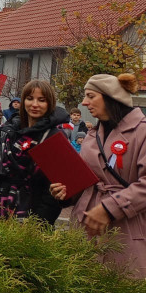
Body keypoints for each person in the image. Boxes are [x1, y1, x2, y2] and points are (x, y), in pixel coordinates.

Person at [50, 73, 146, 279]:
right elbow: (88, 179)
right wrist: (67, 192)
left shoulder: (142, 132)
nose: (84, 103)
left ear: (111, 97)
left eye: (91, 96)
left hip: (126, 230)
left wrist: (109, 208)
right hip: (84, 225)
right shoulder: (93, 134)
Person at [0, 80, 69, 224]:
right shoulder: (11, 130)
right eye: (30, 99)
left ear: (50, 103)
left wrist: (40, 222)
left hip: (32, 211)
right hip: (1, 205)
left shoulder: (54, 136)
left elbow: (55, 189)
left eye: (41, 100)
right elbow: (0, 172)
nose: (34, 104)